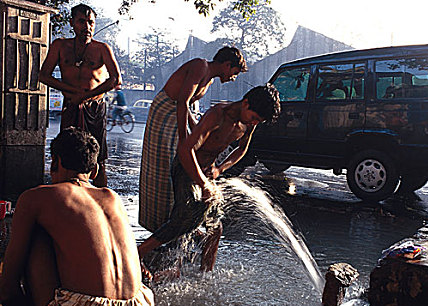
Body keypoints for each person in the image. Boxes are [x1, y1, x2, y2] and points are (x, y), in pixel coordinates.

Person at [0, 127, 156, 306]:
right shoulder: (112, 198)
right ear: (94, 171)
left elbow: (7, 290)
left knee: (36, 232)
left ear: (55, 162)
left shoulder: (38, 197)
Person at [138, 84, 281, 273]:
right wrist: (203, 184)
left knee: (215, 229)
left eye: (259, 122)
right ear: (245, 103)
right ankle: (138, 253)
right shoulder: (218, 114)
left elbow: (242, 149)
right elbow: (185, 150)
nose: (254, 123)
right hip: (186, 167)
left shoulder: (248, 124)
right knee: (185, 217)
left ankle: (205, 273)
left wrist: (220, 169)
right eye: (254, 118)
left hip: (207, 172)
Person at [139, 47, 247, 233]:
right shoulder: (201, 66)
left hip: (178, 113)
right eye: (234, 73)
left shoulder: (210, 80)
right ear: (227, 65)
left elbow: (186, 105)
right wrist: (184, 138)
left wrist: (196, 126)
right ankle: (158, 225)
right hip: (164, 112)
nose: (233, 77)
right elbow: (182, 101)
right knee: (164, 165)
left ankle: (173, 222)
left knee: (177, 164)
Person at [39, 3, 122, 188]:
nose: (87, 27)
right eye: (82, 21)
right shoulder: (60, 45)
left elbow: (116, 79)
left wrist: (85, 96)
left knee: (97, 157)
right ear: (72, 23)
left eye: (91, 22)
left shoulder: (102, 48)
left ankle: (101, 200)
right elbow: (43, 76)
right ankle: (66, 198)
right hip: (71, 105)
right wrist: (71, 92)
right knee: (65, 154)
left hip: (94, 108)